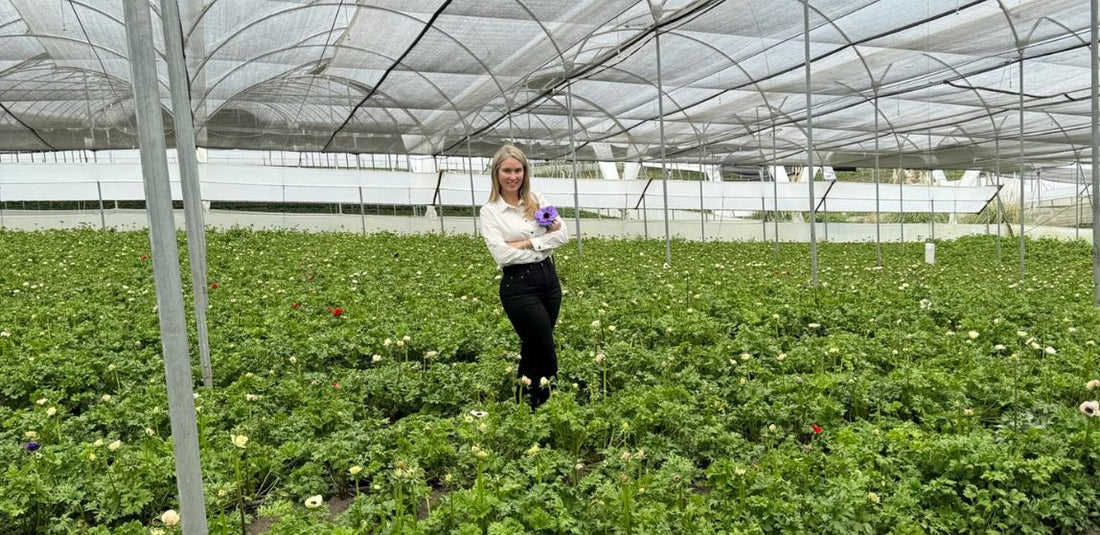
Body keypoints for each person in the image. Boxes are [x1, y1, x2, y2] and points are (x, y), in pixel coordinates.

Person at [480, 144, 570, 409]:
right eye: (507, 170)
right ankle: (545, 404)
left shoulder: (537, 200)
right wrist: (543, 242)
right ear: (497, 173)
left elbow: (563, 235)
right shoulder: (491, 211)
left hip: (549, 281)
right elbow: (502, 255)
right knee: (545, 349)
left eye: (518, 170)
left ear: (525, 172)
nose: (513, 176)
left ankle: (525, 402)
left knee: (533, 346)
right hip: (519, 286)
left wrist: (527, 244)